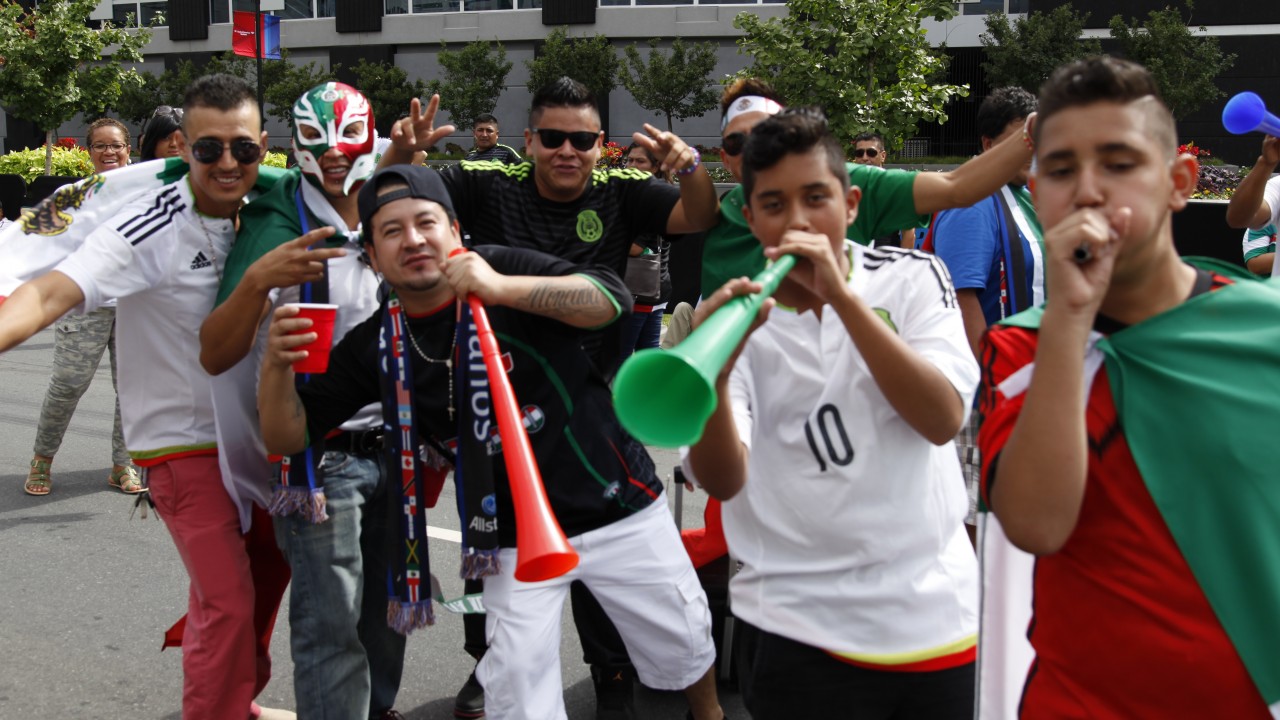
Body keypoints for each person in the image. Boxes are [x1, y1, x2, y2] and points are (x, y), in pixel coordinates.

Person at [257, 164, 726, 720]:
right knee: (517, 694)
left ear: (454, 231)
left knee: (683, 636)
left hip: (615, 500)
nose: (412, 240)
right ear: (374, 257)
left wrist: (502, 289)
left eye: (425, 222)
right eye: (390, 231)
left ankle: (710, 714)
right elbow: (290, 436)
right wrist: (275, 368)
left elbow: (610, 299)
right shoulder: (375, 342)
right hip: (507, 536)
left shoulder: (499, 265)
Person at [385, 77, 721, 718]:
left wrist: (693, 168)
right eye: (553, 137)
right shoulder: (488, 180)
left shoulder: (621, 190)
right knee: (493, 552)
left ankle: (613, 675)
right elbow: (407, 200)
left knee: (616, 560)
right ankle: (490, 672)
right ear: (530, 140)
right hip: (495, 401)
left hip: (588, 399)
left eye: (583, 139)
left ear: (602, 145)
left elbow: (697, 216)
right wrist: (404, 155)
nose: (568, 150)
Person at [978, 56, 1279, 717]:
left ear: (1179, 183)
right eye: (1060, 170)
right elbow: (1032, 524)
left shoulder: (1265, 327)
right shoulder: (1025, 345)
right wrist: (1069, 317)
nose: (1087, 189)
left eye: (1119, 163)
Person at [0, 74, 304, 720]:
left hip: (257, 443)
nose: (228, 165)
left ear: (264, 149)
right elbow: (52, 291)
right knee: (227, 598)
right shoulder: (152, 220)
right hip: (180, 449)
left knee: (267, 578)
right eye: (208, 150)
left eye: (243, 151)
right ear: (181, 149)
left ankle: (232, 691)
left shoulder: (278, 208)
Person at [686, 108, 979, 719]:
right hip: (794, 627)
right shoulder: (731, 317)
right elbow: (721, 478)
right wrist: (711, 374)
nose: (797, 220)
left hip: (930, 618)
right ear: (749, 216)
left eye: (815, 198)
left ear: (850, 204)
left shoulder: (915, 279)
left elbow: (942, 419)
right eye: (774, 204)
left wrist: (842, 299)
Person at [201, 81, 418, 720]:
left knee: (387, 616)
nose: (331, 154)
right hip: (319, 459)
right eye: (315, 140)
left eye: (347, 137)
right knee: (331, 628)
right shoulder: (274, 217)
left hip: (397, 446)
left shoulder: (390, 202)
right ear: (292, 145)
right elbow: (215, 352)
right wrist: (259, 283)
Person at [701, 77, 1036, 299]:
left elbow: (955, 187)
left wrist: (1033, 131)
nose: (750, 147)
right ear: (725, 158)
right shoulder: (713, 215)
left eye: (763, 133)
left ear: (849, 203)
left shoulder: (840, 180)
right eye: (735, 141)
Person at [924, 86, 1040, 537]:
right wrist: (995, 385)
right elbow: (961, 300)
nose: (1033, 148)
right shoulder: (972, 203)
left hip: (1022, 386)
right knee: (977, 524)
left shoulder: (1024, 197)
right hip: (986, 393)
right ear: (988, 145)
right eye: (1020, 137)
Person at [25, 117, 140, 496]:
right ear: (88, 152)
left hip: (135, 309)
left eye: (116, 145)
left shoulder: (146, 192)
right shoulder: (74, 195)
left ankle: (123, 465)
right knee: (68, 384)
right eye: (100, 146)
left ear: (129, 148)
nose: (109, 152)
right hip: (84, 306)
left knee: (133, 390)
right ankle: (42, 459)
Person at [619, 141, 674, 356]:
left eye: (639, 161)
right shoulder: (654, 193)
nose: (632, 166)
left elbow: (635, 248)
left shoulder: (652, 198)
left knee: (620, 358)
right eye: (629, 160)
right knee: (646, 356)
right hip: (653, 288)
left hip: (639, 290)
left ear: (656, 166)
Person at [852, 132, 917, 250]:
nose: (865, 157)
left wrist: (900, 266)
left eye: (871, 153)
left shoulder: (896, 185)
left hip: (887, 259)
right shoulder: (849, 185)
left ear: (883, 155)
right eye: (859, 153)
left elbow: (909, 234)